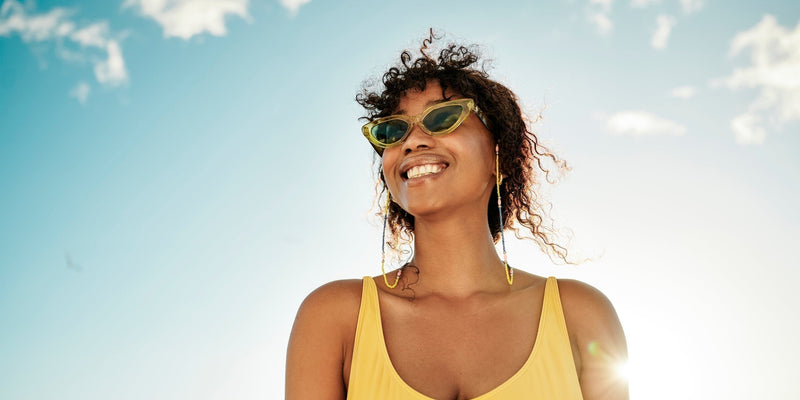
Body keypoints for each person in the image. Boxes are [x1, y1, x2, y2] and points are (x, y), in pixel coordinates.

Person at [285, 32, 628, 400]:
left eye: (444, 117)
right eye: (392, 130)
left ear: (502, 154)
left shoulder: (580, 313)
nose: (411, 141)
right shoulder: (333, 317)